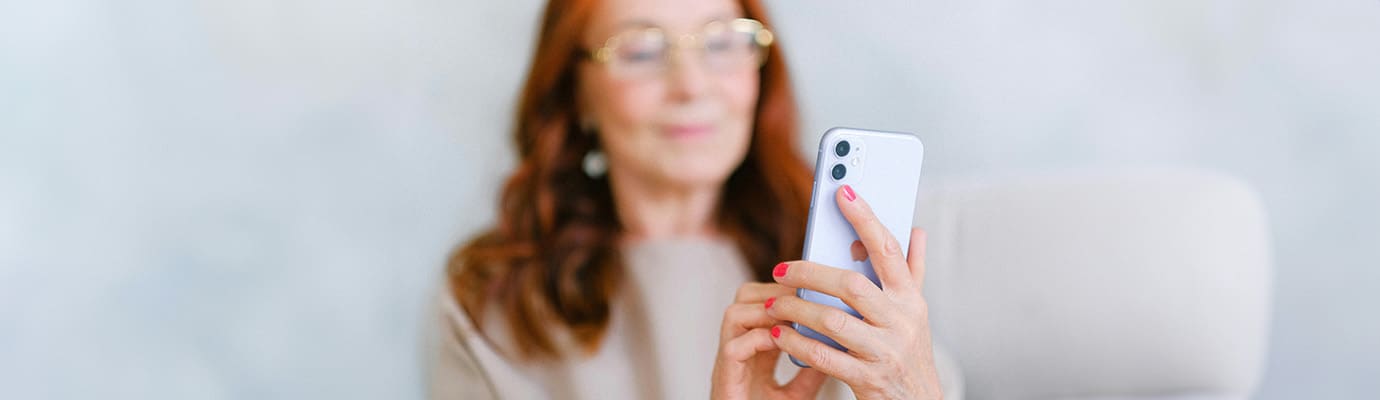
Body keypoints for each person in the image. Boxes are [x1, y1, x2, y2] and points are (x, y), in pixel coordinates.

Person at [426, 0, 959, 398]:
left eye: (723, 42)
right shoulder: (491, 299)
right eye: (640, 50)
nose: (691, 85)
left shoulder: (856, 271)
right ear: (575, 94)